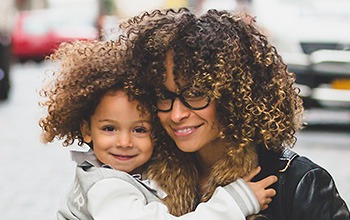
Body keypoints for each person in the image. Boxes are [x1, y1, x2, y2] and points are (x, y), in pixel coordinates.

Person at [120, 7, 350, 219]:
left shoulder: (299, 184)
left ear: (234, 94)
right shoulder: (139, 175)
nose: (177, 114)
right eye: (164, 96)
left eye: (196, 94)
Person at [38, 40, 277, 219]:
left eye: (139, 130)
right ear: (86, 130)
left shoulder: (127, 173)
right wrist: (233, 203)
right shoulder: (106, 185)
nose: (124, 142)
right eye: (110, 128)